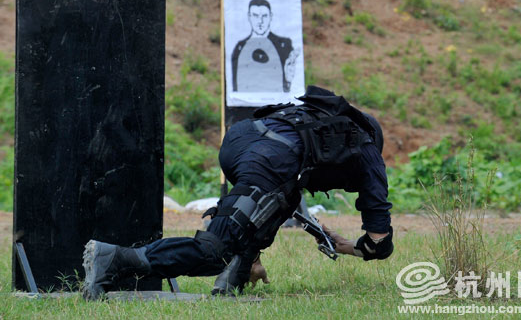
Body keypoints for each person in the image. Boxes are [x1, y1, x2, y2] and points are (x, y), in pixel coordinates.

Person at [82, 85, 393, 300]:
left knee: (282, 198)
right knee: (216, 247)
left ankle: (236, 273)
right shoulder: (367, 151)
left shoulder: (320, 124)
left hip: (243, 139)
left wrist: (253, 255)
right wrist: (348, 246)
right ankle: (116, 260)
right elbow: (379, 243)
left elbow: (271, 200)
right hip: (271, 160)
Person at [231, 0, 300, 93]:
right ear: (249, 16)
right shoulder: (240, 47)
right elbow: (234, 84)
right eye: (255, 16)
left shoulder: (284, 45)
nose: (260, 21)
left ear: (271, 16)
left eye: (264, 16)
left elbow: (291, 86)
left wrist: (288, 80)